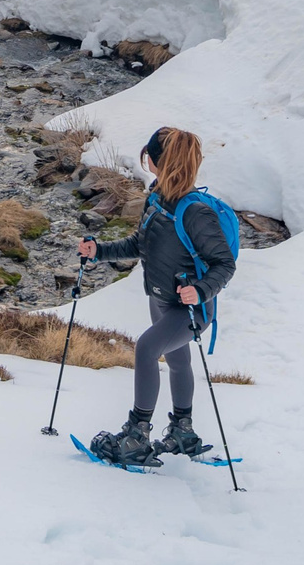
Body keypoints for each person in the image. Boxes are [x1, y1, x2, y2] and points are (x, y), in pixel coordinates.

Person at [77, 125, 235, 464]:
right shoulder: (156, 197)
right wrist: (98, 252)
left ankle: (136, 436)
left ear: (154, 160)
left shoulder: (196, 212)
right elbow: (139, 244)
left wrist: (201, 290)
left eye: (146, 154)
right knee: (177, 360)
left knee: (147, 349)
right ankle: (183, 431)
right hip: (161, 298)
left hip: (191, 309)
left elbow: (224, 264)